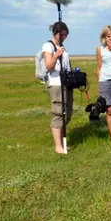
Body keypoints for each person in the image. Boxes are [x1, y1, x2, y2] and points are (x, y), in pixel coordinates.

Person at [42, 22, 73, 154]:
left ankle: (62, 143)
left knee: (67, 113)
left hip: (66, 83)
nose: (65, 37)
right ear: (56, 33)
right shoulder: (48, 46)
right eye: (63, 34)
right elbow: (49, 66)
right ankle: (58, 146)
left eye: (67, 35)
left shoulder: (62, 46)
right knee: (58, 113)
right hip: (55, 83)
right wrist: (56, 54)